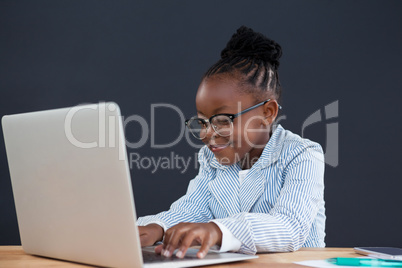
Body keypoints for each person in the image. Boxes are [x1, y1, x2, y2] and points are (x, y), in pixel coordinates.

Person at [137, 26, 326, 259]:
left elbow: (289, 227)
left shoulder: (302, 155)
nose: (207, 134)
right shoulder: (212, 158)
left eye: (223, 120)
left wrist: (218, 230)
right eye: (203, 122)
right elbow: (192, 208)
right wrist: (158, 227)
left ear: (267, 112)